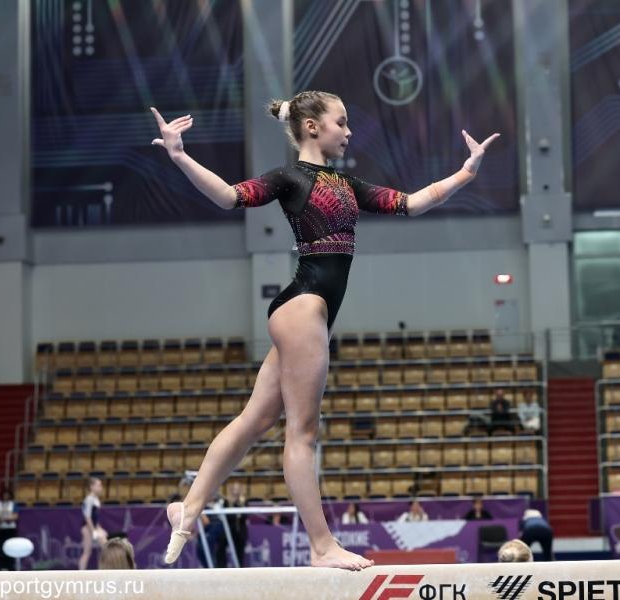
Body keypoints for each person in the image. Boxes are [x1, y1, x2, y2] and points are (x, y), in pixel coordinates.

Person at [150, 91, 499, 571]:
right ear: (312, 127)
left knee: (255, 420)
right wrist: (180, 156)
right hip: (305, 307)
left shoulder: (347, 184)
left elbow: (412, 203)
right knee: (303, 433)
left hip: (304, 310)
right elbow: (230, 196)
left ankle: (188, 508)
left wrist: (466, 173)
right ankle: (321, 546)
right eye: (342, 121)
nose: (349, 131)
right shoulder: (290, 178)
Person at [78, 478, 107, 570]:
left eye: (101, 485)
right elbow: (87, 517)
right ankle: (81, 573)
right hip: (87, 527)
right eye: (98, 485)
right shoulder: (89, 499)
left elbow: (95, 518)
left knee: (105, 548)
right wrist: (93, 531)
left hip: (93, 526)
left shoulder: (95, 499)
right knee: (87, 552)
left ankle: (103, 570)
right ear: (92, 487)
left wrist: (99, 528)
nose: (101, 487)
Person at [224, 482, 248, 566]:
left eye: (238, 489)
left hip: (241, 530)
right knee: (222, 548)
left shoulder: (244, 501)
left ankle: (240, 567)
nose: (236, 491)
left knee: (240, 551)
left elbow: (245, 515)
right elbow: (227, 516)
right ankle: (221, 566)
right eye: (234, 489)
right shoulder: (227, 501)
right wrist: (236, 513)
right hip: (229, 530)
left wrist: (240, 506)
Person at [0, 488, 18, 570]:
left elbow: (16, 516)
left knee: (11, 547)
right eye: (4, 494)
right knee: (0, 547)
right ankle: (2, 566)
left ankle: (11, 566)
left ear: (10, 495)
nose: (6, 496)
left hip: (10, 529)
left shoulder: (12, 504)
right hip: (0, 529)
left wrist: (6, 518)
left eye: (7, 495)